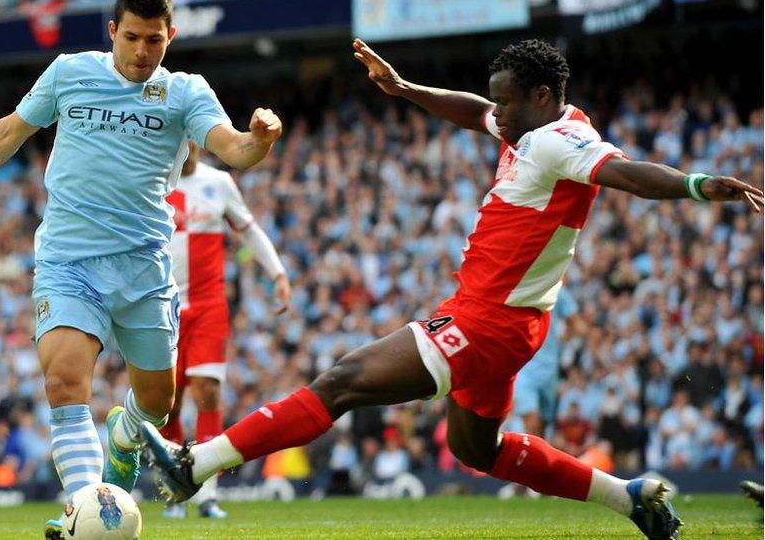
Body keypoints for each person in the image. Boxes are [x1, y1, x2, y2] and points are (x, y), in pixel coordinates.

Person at [142, 38, 764, 539]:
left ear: (543, 97)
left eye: (509, 105)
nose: (499, 116)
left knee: (343, 381)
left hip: (488, 321)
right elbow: (476, 112)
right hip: (506, 320)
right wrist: (407, 88)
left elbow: (627, 173)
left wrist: (696, 184)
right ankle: (629, 499)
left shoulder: (561, 142)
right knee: (477, 449)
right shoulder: (532, 123)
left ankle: (196, 465)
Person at [0, 0, 282, 538]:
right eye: (132, 37)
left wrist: (260, 140)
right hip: (68, 259)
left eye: (154, 40)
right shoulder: (69, 73)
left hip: (145, 268)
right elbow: (8, 132)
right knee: (63, 380)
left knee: (156, 403)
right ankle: (86, 506)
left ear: (170, 37)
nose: (142, 51)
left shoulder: (185, 92)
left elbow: (235, 150)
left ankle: (125, 434)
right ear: (112, 30)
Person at [160, 140, 291, 519]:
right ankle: (175, 491)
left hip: (208, 305)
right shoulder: (152, 182)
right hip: (163, 307)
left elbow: (249, 231)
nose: (188, 144)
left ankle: (208, 493)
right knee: (168, 404)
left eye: (192, 135)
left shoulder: (218, 183)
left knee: (208, 391)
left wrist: (277, 272)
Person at [499, 284, 577, 499]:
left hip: (549, 371)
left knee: (541, 428)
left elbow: (574, 320)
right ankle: (526, 481)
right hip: (524, 368)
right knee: (531, 422)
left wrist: (564, 342)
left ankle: (537, 479)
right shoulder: (517, 287)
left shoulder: (558, 289)